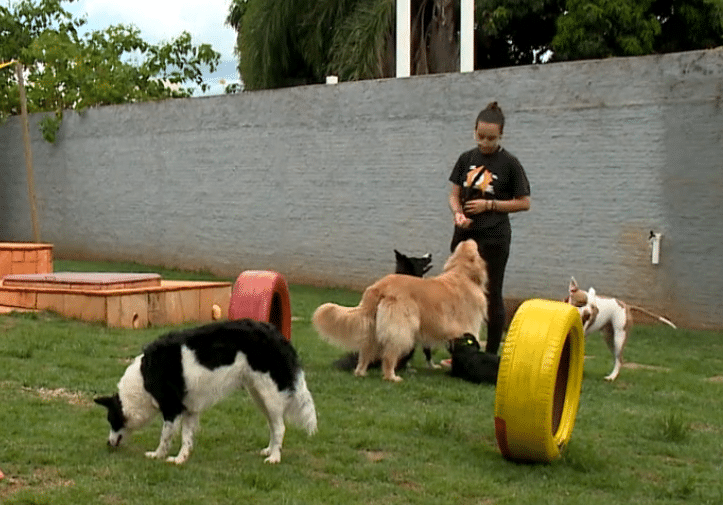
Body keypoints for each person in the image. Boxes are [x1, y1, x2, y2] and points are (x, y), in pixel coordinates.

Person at [448, 102, 531, 355]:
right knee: (456, 293)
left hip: (494, 238)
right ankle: (459, 352)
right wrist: (458, 213)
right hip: (464, 236)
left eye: (491, 138)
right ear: (474, 131)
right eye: (480, 136)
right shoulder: (466, 159)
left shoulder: (509, 164)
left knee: (492, 293)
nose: (485, 142)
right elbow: (454, 195)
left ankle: (491, 354)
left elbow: (524, 203)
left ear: (501, 135)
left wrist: (490, 205)